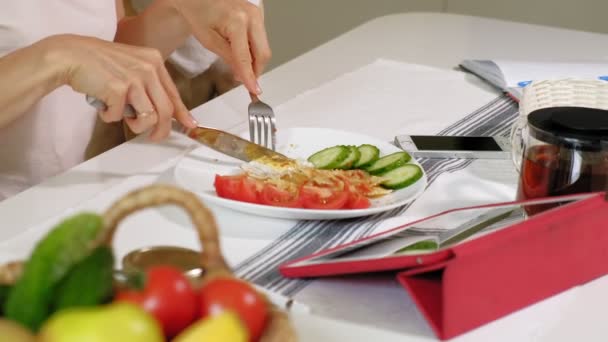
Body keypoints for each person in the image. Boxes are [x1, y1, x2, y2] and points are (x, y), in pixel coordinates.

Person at [0, 0, 271, 201]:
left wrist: (179, 10)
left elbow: (106, 46)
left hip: (71, 198)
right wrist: (57, 57)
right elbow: (71, 56)